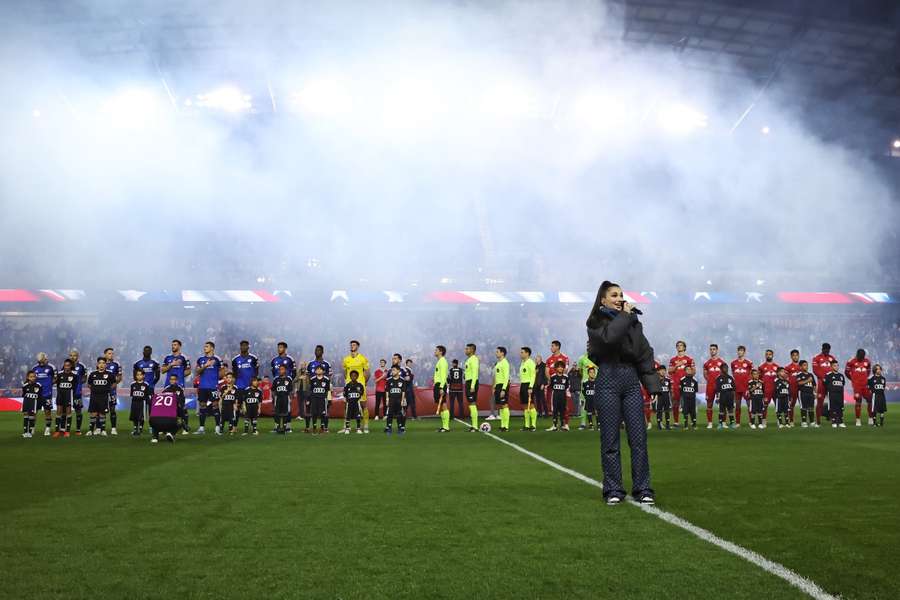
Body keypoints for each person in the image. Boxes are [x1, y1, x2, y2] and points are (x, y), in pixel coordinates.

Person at [586, 281, 658, 505]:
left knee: (638, 438)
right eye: (614, 295)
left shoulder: (633, 322)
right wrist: (626, 317)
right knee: (610, 440)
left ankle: (643, 488)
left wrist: (652, 385)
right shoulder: (595, 322)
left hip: (630, 379)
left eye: (621, 295)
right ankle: (614, 490)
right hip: (607, 378)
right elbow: (609, 339)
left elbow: (644, 353)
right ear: (603, 300)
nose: (619, 298)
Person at [161, 340, 191, 432]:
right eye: (172, 345)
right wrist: (171, 365)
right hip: (168, 385)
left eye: (175, 345)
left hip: (179, 385)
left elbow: (188, 371)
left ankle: (184, 427)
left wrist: (180, 376)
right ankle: (165, 427)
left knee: (181, 406)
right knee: (167, 406)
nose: (173, 346)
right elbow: (162, 370)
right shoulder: (167, 358)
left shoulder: (184, 357)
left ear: (179, 346)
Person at [195, 341, 223, 435]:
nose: (204, 348)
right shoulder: (200, 359)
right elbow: (197, 372)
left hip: (213, 386)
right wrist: (206, 365)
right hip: (202, 386)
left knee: (215, 405)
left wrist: (215, 378)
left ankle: (217, 428)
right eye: (204, 346)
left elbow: (223, 372)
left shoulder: (217, 359)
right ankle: (202, 428)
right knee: (202, 406)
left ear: (212, 348)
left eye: (206, 346)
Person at [342, 340, 370, 433]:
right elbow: (345, 372)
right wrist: (347, 381)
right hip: (349, 385)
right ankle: (346, 426)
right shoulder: (346, 359)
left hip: (360, 384)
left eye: (354, 345)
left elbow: (367, 373)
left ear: (358, 346)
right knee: (346, 405)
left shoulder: (363, 358)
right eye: (351, 345)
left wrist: (363, 382)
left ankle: (365, 425)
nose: (352, 346)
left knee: (363, 405)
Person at [271, 342, 296, 432]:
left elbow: (294, 373)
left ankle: (288, 427)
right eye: (278, 347)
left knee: (287, 409)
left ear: (285, 348)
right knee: (276, 409)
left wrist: (288, 381)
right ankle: (276, 426)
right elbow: (274, 372)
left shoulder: (290, 359)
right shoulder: (274, 360)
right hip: (277, 386)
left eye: (281, 347)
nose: (279, 349)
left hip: (286, 387)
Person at [133, 345, 160, 429]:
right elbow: (135, 375)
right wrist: (139, 384)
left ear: (151, 352)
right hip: (140, 389)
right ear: (143, 352)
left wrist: (152, 384)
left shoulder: (155, 363)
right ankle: (138, 426)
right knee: (139, 407)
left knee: (151, 407)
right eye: (145, 350)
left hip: (150, 389)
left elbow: (157, 376)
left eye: (148, 351)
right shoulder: (137, 364)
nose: (147, 352)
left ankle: (152, 426)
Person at [845, 349, 873, 427]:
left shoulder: (867, 361)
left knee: (869, 400)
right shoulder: (851, 361)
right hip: (857, 386)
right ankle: (858, 420)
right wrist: (853, 379)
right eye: (860, 356)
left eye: (863, 356)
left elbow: (868, 371)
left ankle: (870, 418)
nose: (861, 358)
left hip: (865, 385)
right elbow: (846, 372)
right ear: (857, 355)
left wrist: (865, 378)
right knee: (858, 400)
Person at [87, 357, 114, 437]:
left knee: (102, 413)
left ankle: (103, 430)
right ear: (97, 364)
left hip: (104, 397)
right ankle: (90, 430)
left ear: (106, 365)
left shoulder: (109, 374)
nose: (101, 365)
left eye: (103, 363)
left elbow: (114, 383)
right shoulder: (93, 374)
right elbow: (89, 384)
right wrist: (95, 389)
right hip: (94, 396)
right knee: (93, 413)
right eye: (100, 363)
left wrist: (107, 389)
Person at [544, 341, 569, 425]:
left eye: (552, 346)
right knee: (553, 406)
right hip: (552, 385)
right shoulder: (548, 359)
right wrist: (551, 380)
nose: (551, 348)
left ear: (557, 347)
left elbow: (565, 371)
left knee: (563, 405)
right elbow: (547, 372)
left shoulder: (565, 357)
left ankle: (565, 424)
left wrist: (560, 379)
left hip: (562, 384)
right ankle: (554, 424)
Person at [32, 352, 56, 437]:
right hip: (36, 394)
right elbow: (31, 379)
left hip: (47, 394)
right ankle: (32, 428)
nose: (42, 362)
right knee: (34, 412)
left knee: (47, 411)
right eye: (40, 361)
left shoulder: (51, 367)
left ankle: (47, 429)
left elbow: (55, 379)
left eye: (44, 360)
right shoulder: (34, 368)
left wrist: (48, 385)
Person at [812, 343, 836, 426]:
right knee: (819, 402)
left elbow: (835, 368)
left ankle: (833, 419)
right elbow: (815, 370)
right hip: (821, 383)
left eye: (828, 350)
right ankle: (818, 421)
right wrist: (823, 378)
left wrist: (831, 378)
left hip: (831, 384)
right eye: (825, 349)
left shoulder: (832, 358)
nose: (827, 351)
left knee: (833, 401)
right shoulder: (817, 358)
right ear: (822, 349)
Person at [702, 344, 726, 429]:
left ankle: (723, 422)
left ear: (717, 350)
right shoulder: (706, 363)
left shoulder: (722, 362)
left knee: (722, 404)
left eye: (714, 349)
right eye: (711, 349)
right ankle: (710, 423)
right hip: (710, 386)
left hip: (720, 387)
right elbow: (705, 375)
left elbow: (725, 375)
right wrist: (710, 381)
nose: (712, 351)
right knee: (709, 404)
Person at [53, 359, 77, 438]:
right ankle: (57, 431)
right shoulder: (59, 374)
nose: (66, 367)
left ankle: (67, 431)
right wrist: (54, 377)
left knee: (68, 412)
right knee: (58, 412)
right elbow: (54, 382)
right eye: (65, 365)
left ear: (71, 366)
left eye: (68, 365)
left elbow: (75, 386)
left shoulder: (74, 375)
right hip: (60, 395)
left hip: (69, 395)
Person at [576, 346, 597, 429]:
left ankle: (600, 424)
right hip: (585, 385)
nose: (589, 347)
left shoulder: (598, 357)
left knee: (598, 404)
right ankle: (583, 423)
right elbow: (580, 370)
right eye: (588, 345)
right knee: (584, 403)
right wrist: (585, 379)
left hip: (596, 385)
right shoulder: (582, 358)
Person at [731, 345, 753, 427]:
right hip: (737, 387)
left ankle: (751, 421)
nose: (740, 352)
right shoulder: (733, 363)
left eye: (741, 351)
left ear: (744, 352)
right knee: (737, 406)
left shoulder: (749, 363)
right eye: (738, 351)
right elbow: (733, 373)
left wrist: (749, 386)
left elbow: (751, 374)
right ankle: (737, 422)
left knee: (749, 405)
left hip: (746, 387)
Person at [103, 347, 123, 436]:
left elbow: (119, 377)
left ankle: (113, 428)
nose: (111, 355)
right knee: (101, 409)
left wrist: (115, 384)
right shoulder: (101, 364)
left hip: (112, 390)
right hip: (102, 391)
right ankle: (101, 429)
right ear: (105, 354)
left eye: (112, 353)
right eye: (109, 353)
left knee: (112, 409)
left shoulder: (116, 364)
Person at [68, 349, 88, 435]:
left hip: (77, 392)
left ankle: (78, 429)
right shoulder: (66, 365)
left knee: (78, 410)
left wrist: (78, 382)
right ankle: (66, 429)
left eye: (74, 355)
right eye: (71, 355)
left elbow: (84, 378)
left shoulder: (82, 366)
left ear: (77, 356)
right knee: (66, 411)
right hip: (67, 392)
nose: (72, 357)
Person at [384, 365, 407, 435]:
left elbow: (403, 391)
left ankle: (400, 427)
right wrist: (387, 399)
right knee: (389, 414)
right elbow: (387, 391)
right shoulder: (389, 380)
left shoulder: (402, 380)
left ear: (398, 371)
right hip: (391, 400)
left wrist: (402, 400)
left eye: (394, 370)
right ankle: (389, 427)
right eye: (392, 370)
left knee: (399, 414)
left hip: (399, 400)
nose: (392, 371)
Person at [547, 360, 569, 432]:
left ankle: (563, 425)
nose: (560, 368)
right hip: (555, 396)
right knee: (555, 411)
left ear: (563, 368)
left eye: (562, 367)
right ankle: (554, 425)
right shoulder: (553, 377)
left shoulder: (566, 377)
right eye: (559, 367)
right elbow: (551, 386)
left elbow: (567, 387)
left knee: (562, 410)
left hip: (563, 396)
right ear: (556, 368)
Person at [308, 365, 331, 434]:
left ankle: (322, 428)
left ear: (323, 371)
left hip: (323, 399)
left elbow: (328, 390)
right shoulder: (312, 379)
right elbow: (311, 390)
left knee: (323, 414)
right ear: (315, 371)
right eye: (317, 369)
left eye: (320, 369)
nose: (318, 370)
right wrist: (309, 399)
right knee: (314, 413)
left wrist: (329, 399)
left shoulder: (326, 379)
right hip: (314, 399)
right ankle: (314, 428)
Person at [758, 350, 779, 422]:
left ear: (773, 355)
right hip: (766, 390)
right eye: (767, 354)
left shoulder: (777, 367)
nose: (768, 355)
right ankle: (764, 421)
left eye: (770, 354)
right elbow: (759, 379)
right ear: (765, 356)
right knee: (765, 406)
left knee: (778, 406)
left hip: (775, 390)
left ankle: (779, 421)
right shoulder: (761, 367)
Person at [129, 369, 152, 436]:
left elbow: (148, 395)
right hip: (134, 402)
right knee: (134, 416)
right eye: (137, 375)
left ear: (143, 376)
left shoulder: (146, 384)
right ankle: (135, 429)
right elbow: (132, 395)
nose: (139, 376)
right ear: (136, 376)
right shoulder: (133, 384)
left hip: (142, 402)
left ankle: (140, 429)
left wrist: (148, 402)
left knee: (141, 416)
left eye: (140, 375)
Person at [493, 347, 511, 432]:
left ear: (502, 353)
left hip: (503, 385)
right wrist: (495, 387)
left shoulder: (505, 363)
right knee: (500, 405)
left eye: (497, 352)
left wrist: (503, 389)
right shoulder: (498, 363)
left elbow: (506, 377)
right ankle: (502, 425)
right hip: (498, 386)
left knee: (504, 405)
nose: (496, 353)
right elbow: (497, 376)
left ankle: (506, 426)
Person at [824, 360, 846, 428]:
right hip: (832, 394)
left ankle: (840, 422)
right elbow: (825, 383)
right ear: (831, 367)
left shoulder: (841, 376)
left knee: (840, 408)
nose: (836, 367)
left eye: (837, 365)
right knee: (833, 408)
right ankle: (833, 422)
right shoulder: (828, 375)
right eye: (834, 366)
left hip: (840, 394)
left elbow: (843, 384)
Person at [519, 347, 536, 431]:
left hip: (528, 385)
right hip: (523, 384)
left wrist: (530, 387)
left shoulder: (531, 363)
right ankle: (526, 425)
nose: (520, 354)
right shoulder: (522, 362)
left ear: (527, 353)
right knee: (525, 405)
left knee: (531, 405)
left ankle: (533, 425)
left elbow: (533, 376)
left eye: (522, 352)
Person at [433, 345, 450, 433]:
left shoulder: (443, 361)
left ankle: (446, 427)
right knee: (442, 405)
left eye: (436, 350)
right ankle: (444, 426)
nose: (434, 351)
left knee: (443, 405)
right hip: (438, 384)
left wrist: (441, 387)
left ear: (441, 352)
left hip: (440, 385)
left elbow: (444, 376)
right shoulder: (439, 361)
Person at [342, 370, 365, 434]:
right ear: (350, 377)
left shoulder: (360, 385)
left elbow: (362, 393)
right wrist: (346, 399)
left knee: (358, 416)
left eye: (355, 376)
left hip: (357, 403)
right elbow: (345, 394)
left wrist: (359, 392)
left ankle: (358, 428)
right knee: (348, 416)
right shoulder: (347, 385)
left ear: (357, 377)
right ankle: (347, 428)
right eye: (352, 376)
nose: (353, 377)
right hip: (349, 403)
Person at [272, 364, 293, 434]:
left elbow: (290, 390)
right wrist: (274, 398)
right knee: (277, 413)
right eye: (280, 369)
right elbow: (273, 390)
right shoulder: (276, 379)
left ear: (285, 370)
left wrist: (290, 399)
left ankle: (286, 428)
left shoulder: (289, 379)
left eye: (282, 369)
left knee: (286, 413)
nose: (280, 371)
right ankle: (276, 428)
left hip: (286, 398)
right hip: (278, 398)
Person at [714, 363, 736, 430]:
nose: (725, 369)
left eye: (726, 368)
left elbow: (733, 390)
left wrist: (734, 400)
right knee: (721, 410)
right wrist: (717, 398)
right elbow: (717, 390)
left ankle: (732, 423)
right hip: (722, 396)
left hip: (730, 396)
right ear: (721, 369)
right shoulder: (718, 378)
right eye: (724, 368)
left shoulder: (730, 378)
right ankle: (720, 424)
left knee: (730, 410)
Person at [784, 349, 803, 426]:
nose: (795, 357)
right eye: (794, 355)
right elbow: (785, 377)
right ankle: (791, 421)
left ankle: (804, 421)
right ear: (791, 357)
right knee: (791, 405)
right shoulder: (788, 367)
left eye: (796, 355)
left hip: (802, 388)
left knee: (803, 405)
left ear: (798, 356)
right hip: (793, 388)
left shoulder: (801, 366)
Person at [464, 344, 480, 432]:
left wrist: (472, 385)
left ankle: (475, 426)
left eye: (467, 349)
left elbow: (475, 373)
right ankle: (473, 426)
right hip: (468, 382)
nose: (465, 350)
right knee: (471, 404)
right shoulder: (469, 359)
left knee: (472, 403)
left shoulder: (474, 359)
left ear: (472, 350)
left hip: (471, 382)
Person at [796, 361, 816, 428]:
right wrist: (808, 380)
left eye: (807, 365)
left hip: (810, 393)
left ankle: (812, 422)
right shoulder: (799, 374)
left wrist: (815, 392)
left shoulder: (811, 375)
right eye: (804, 365)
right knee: (803, 408)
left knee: (811, 408)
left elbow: (814, 385)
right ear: (800, 367)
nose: (806, 366)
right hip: (802, 393)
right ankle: (804, 422)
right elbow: (799, 383)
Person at [21, 371, 41, 438]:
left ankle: (29, 432)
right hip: (26, 401)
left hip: (34, 402)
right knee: (26, 415)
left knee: (32, 416)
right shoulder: (25, 385)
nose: (33, 378)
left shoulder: (38, 385)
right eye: (31, 377)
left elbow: (40, 395)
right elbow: (23, 394)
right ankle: (25, 432)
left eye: (34, 376)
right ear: (28, 377)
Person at [679, 365, 698, 430]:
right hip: (685, 399)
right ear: (685, 371)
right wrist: (681, 403)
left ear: (691, 371)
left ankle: (694, 425)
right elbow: (681, 392)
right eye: (687, 369)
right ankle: (686, 425)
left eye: (690, 369)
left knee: (693, 412)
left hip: (692, 399)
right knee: (685, 412)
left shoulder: (695, 380)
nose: (689, 370)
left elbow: (695, 391)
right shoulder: (682, 380)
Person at [655, 365, 672, 430]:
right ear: (658, 371)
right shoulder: (656, 379)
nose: (663, 372)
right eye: (661, 370)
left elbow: (669, 389)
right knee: (659, 411)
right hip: (659, 397)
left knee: (667, 411)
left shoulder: (668, 380)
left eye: (664, 370)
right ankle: (659, 424)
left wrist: (671, 398)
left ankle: (667, 425)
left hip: (666, 398)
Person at [533, 354, 548, 418]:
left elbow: (545, 376)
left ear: (540, 359)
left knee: (543, 399)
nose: (535, 360)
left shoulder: (544, 365)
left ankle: (546, 413)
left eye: (536, 358)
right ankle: (540, 412)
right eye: (535, 359)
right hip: (536, 385)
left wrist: (543, 384)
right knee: (537, 400)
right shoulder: (535, 366)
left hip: (541, 385)